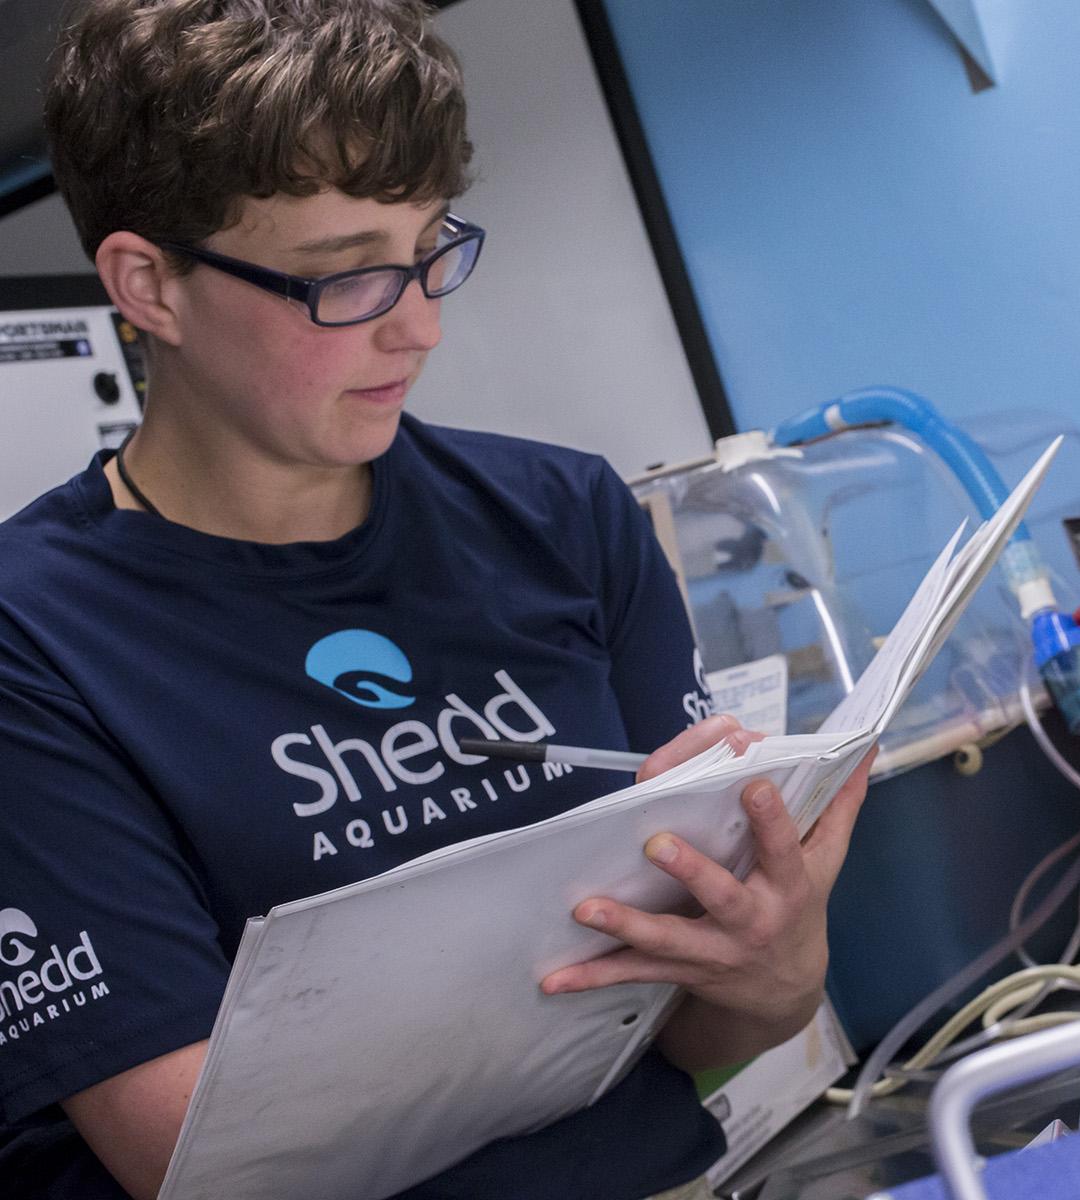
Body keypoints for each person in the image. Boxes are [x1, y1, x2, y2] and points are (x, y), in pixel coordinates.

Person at [0, 2, 873, 1197]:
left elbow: (693, 1042)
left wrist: (770, 973)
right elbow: (200, 1158)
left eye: (430, 250)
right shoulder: (36, 640)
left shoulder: (563, 520)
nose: (419, 324)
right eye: (349, 275)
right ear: (150, 285)